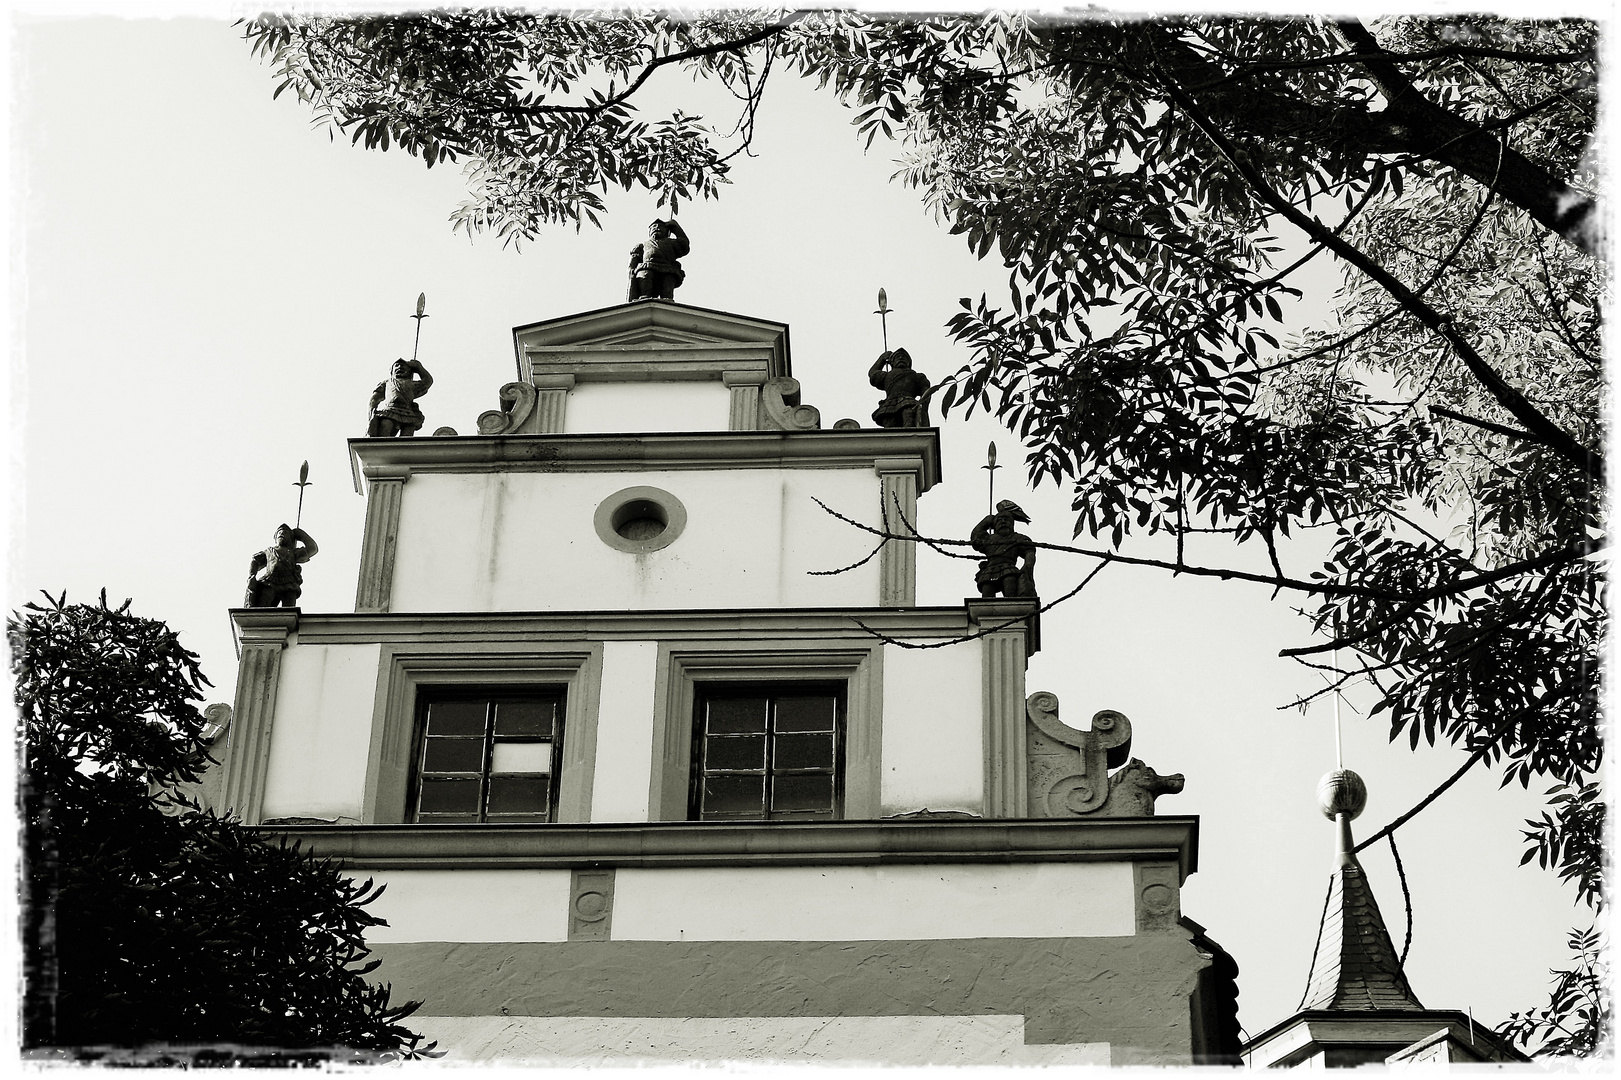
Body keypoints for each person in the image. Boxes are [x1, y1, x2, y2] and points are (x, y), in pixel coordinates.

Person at [970, 500, 1037, 598]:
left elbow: (1029, 550)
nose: (1003, 522)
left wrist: (1028, 566)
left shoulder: (1017, 538)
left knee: (1010, 590)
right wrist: (987, 520)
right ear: (994, 525)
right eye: (999, 520)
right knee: (987, 591)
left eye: (1006, 519)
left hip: (1009, 568)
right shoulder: (989, 539)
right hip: (989, 570)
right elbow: (976, 537)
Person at [244, 524, 319, 608]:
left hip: (289, 582)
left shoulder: (293, 552)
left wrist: (301, 534)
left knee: (289, 606)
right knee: (264, 604)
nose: (282, 534)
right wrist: (252, 575)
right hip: (269, 581)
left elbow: (313, 549)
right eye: (279, 533)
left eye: (285, 533)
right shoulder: (269, 551)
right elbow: (255, 561)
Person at [367, 358, 434, 437]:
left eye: (404, 366)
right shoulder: (387, 382)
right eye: (397, 365)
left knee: (407, 433)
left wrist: (419, 367)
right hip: (389, 411)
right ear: (392, 371)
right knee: (385, 427)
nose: (400, 367)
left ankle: (404, 448)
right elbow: (375, 397)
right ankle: (381, 448)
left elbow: (427, 381)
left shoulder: (412, 384)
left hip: (408, 412)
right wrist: (372, 410)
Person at [627, 219, 690, 301]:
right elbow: (634, 258)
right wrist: (631, 269)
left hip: (668, 268)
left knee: (668, 281)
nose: (656, 228)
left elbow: (684, 245)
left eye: (660, 227)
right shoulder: (642, 245)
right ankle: (645, 296)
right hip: (647, 266)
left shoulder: (672, 243)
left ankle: (667, 299)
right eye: (654, 227)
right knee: (645, 276)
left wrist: (675, 227)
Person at [868, 348, 932, 428]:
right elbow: (873, 374)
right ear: (892, 362)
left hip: (909, 402)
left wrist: (923, 405)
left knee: (909, 420)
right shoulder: (886, 376)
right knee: (889, 424)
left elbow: (926, 392)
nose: (901, 358)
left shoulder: (917, 376)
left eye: (904, 357)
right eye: (897, 357)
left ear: (909, 362)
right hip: (889, 404)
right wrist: (882, 359)